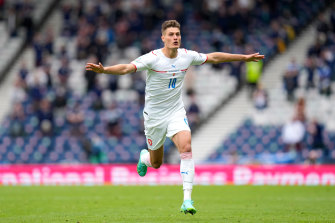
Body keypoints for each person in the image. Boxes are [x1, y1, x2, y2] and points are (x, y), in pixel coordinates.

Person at [86, 20, 264, 215]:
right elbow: (127, 68)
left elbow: (213, 57)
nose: (175, 37)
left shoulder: (186, 56)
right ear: (163, 38)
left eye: (177, 34)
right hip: (154, 118)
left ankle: (187, 199)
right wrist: (105, 70)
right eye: (170, 34)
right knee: (156, 163)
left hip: (176, 113)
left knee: (186, 147)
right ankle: (145, 157)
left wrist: (243, 58)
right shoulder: (153, 58)